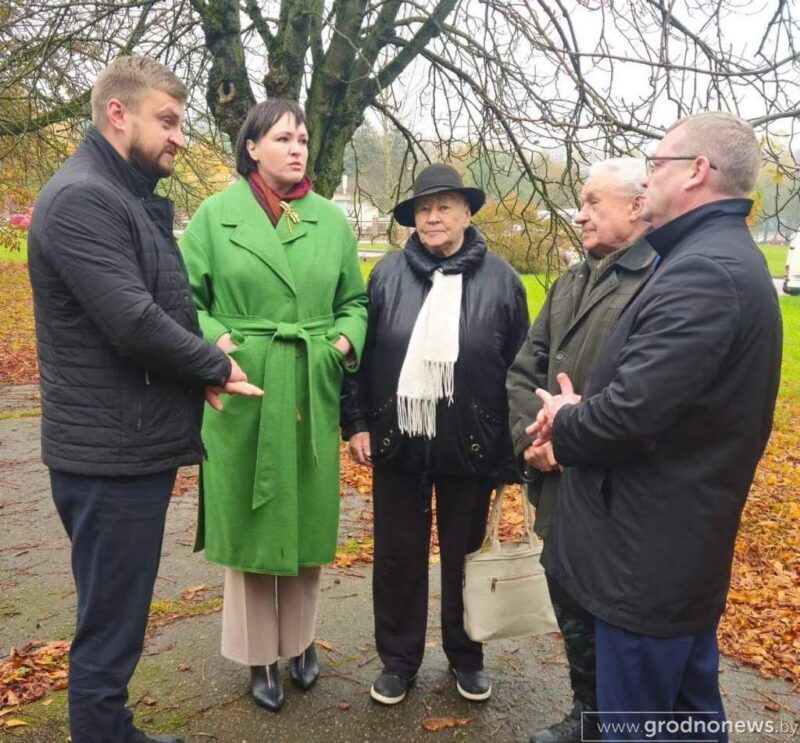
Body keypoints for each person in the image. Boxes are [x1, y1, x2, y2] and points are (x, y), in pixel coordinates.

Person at [27, 56, 260, 743]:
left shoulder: (120, 195)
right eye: (168, 120)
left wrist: (198, 365)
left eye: (180, 122)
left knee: (119, 615)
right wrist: (211, 367)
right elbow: (132, 320)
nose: (179, 137)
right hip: (108, 458)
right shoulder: (82, 199)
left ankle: (114, 730)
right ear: (117, 114)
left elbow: (161, 304)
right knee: (110, 625)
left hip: (125, 447)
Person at [530, 112, 782, 740]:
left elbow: (627, 416)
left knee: (641, 726)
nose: (647, 178)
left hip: (646, 562)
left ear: (696, 172)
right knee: (690, 720)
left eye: (657, 163)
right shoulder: (709, 257)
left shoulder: (704, 272)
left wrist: (567, 417)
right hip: (671, 555)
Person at [180, 99, 368, 714]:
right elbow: (183, 300)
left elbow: (355, 304)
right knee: (254, 526)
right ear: (252, 147)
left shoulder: (332, 222)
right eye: (283, 137)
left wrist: (340, 344)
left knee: (308, 525)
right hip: (243, 388)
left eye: (304, 138)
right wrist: (217, 342)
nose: (297, 147)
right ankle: (259, 652)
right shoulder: (214, 216)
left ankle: (301, 641)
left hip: (308, 386)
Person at [341, 163, 529, 705]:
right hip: (398, 442)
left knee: (465, 557)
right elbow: (361, 357)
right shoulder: (387, 277)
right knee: (398, 558)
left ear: (468, 213)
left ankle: (466, 656)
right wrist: (356, 423)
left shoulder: (502, 281)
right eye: (423, 208)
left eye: (444, 206)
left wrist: (513, 448)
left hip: (473, 445)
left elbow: (520, 369)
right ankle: (398, 661)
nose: (432, 217)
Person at [506, 158, 656, 743]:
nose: (580, 213)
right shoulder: (572, 280)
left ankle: (617, 719)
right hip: (555, 481)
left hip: (609, 488)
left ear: (638, 206)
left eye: (594, 201)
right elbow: (524, 369)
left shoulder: (656, 279)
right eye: (580, 202)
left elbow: (643, 395)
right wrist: (531, 441)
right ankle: (587, 714)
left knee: (608, 611)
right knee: (566, 598)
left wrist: (567, 437)